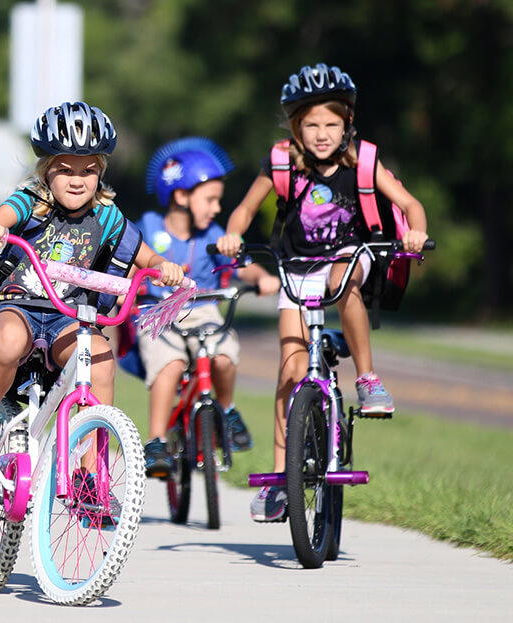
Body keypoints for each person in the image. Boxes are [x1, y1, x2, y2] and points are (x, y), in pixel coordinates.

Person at [215, 64, 429, 522]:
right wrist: (233, 237)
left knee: (343, 279)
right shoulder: (281, 164)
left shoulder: (364, 163)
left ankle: (367, 378)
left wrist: (416, 233)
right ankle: (279, 479)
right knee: (290, 372)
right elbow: (242, 212)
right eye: (310, 124)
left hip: (351, 256)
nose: (321, 133)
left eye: (331, 123)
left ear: (347, 123)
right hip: (296, 268)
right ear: (295, 127)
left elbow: (410, 205)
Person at [0, 101, 186, 492]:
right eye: (65, 170)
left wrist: (163, 266)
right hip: (16, 302)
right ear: (46, 170)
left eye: (88, 171)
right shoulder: (29, 203)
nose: (77, 180)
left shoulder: (107, 217)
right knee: (9, 341)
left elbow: (146, 256)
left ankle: (91, 477)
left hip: (67, 315)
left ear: (100, 172)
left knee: (102, 362)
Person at [135, 138, 280, 479]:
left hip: (204, 310)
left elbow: (238, 265)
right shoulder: (150, 227)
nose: (217, 208)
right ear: (181, 196)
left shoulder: (212, 233)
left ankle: (227, 410)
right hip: (157, 312)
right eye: (210, 199)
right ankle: (156, 440)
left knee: (224, 355)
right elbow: (129, 260)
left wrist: (262, 278)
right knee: (168, 365)